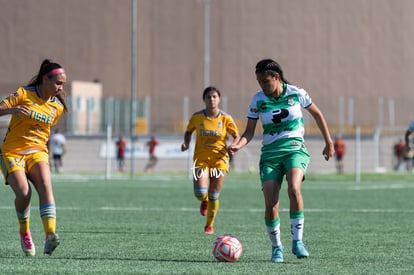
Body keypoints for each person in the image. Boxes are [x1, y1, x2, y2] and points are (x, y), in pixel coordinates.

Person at [228, 59, 334, 263]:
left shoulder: (297, 93)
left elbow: (318, 115)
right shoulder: (257, 100)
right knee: (271, 204)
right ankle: (277, 248)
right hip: (270, 154)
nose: (262, 86)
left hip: (294, 149)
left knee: (294, 188)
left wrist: (328, 141)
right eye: (259, 82)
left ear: (276, 77)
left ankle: (298, 241)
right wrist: (237, 145)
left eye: (265, 81)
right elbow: (249, 132)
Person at [0, 59, 69, 256]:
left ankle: (50, 236)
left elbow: (44, 132)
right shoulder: (23, 94)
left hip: (37, 151)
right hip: (12, 151)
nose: (60, 87)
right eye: (58, 82)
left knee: (46, 186)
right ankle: (25, 232)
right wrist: (11, 110)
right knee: (24, 193)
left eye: (62, 83)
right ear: (44, 79)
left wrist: (44, 157)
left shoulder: (57, 108)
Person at [181, 86, 239, 235]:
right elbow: (188, 132)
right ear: (204, 99)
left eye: (214, 96)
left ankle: (209, 225)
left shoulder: (226, 118)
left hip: (220, 160)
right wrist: (186, 143)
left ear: (219, 99)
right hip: (201, 159)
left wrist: (234, 145)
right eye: (208, 97)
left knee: (214, 194)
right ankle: (204, 200)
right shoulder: (197, 117)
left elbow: (236, 135)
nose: (211, 99)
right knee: (200, 193)